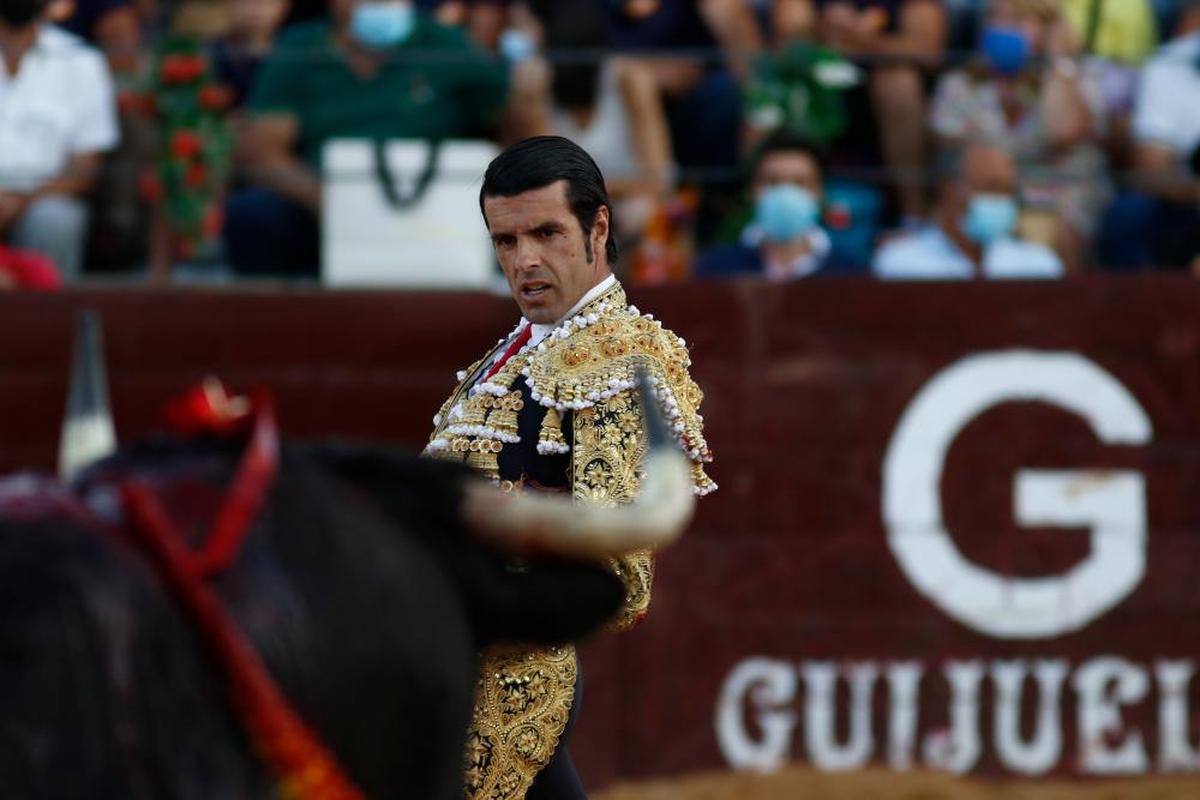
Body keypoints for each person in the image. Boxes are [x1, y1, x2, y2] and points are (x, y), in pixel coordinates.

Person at [423, 136, 715, 800]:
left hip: (512, 677)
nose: (525, 260)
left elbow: (620, 573)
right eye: (506, 241)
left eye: (546, 233)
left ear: (598, 229)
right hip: (443, 667)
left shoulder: (622, 356)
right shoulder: (508, 354)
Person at [226, 0, 512, 278]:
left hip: (433, 214)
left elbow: (510, 124)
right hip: (320, 209)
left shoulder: (447, 44)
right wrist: (340, 205)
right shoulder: (300, 46)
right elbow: (262, 153)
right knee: (253, 215)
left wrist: (527, 90)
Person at [930, 0, 1108, 270]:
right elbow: (956, 149)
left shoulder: (1080, 77)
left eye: (1015, 20)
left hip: (1060, 196)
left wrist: (1059, 62)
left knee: (1054, 229)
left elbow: (1063, 131)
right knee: (961, 207)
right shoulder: (961, 82)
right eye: (994, 18)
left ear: (1047, 29)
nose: (1002, 28)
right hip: (986, 195)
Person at [772, 0, 947, 222]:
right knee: (777, 85)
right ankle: (773, 213)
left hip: (890, 104)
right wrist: (821, 28)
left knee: (897, 81)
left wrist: (861, 40)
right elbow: (787, 41)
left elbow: (928, 50)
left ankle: (915, 217)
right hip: (820, 92)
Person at [0, 0, 119, 279]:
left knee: (55, 221)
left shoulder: (81, 60)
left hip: (45, 198)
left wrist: (21, 201)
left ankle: (50, 320)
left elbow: (85, 166)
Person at [1097, 0, 1200, 270]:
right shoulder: (1172, 63)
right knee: (1130, 215)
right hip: (1187, 205)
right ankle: (1129, 307)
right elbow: (1151, 167)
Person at [873, 140, 1064, 279]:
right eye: (991, 188)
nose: (1002, 201)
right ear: (948, 191)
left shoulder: (1038, 266)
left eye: (1008, 192)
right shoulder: (901, 264)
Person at [695, 129, 834, 280]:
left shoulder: (849, 271)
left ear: (820, 193)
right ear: (751, 190)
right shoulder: (715, 270)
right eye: (773, 182)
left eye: (799, 183)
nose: (786, 193)